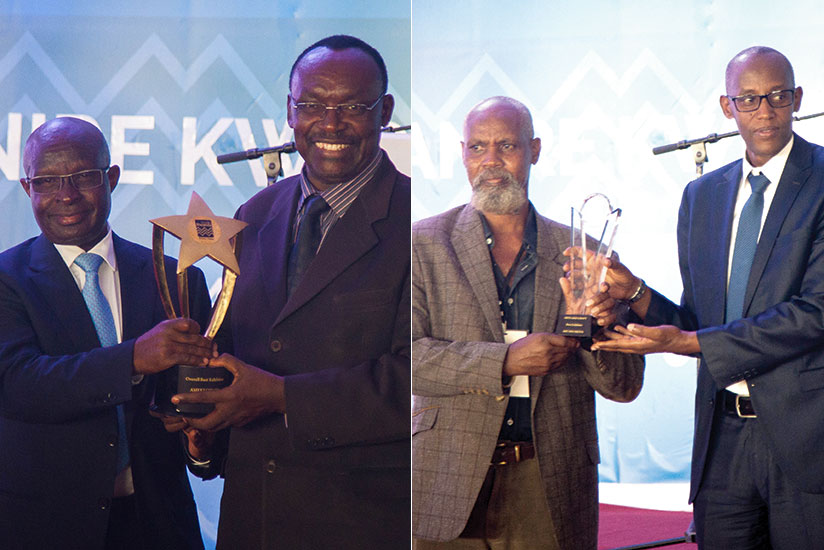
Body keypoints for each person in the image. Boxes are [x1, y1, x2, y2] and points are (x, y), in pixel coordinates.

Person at [173, 35, 410, 549]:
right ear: (288, 110)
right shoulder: (252, 216)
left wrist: (279, 396)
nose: (330, 123)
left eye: (352, 105)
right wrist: (205, 430)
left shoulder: (420, 225)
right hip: (252, 520)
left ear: (384, 111)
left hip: (364, 523)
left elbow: (419, 381)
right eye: (311, 105)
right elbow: (233, 355)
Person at [593, 46, 824, 549]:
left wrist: (688, 343)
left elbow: (815, 314)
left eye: (778, 96)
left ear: (798, 98)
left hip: (807, 442)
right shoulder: (702, 197)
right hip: (721, 442)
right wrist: (633, 292)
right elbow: (697, 321)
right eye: (749, 99)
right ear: (727, 107)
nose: (765, 110)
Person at [412, 96, 644, 550]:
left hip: (550, 480)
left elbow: (624, 386)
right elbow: (407, 359)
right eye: (477, 148)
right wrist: (505, 360)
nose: (491, 162)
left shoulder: (584, 250)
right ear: (462, 153)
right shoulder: (422, 244)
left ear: (534, 150)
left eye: (507, 146)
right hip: (447, 476)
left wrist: (592, 327)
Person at [0, 117, 214, 549]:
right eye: (47, 180)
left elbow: (206, 408)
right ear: (27, 189)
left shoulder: (178, 280)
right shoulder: (6, 279)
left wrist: (200, 439)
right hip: (44, 529)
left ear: (111, 178)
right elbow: (17, 383)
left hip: (159, 526)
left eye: (84, 176)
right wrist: (135, 357)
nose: (66, 194)